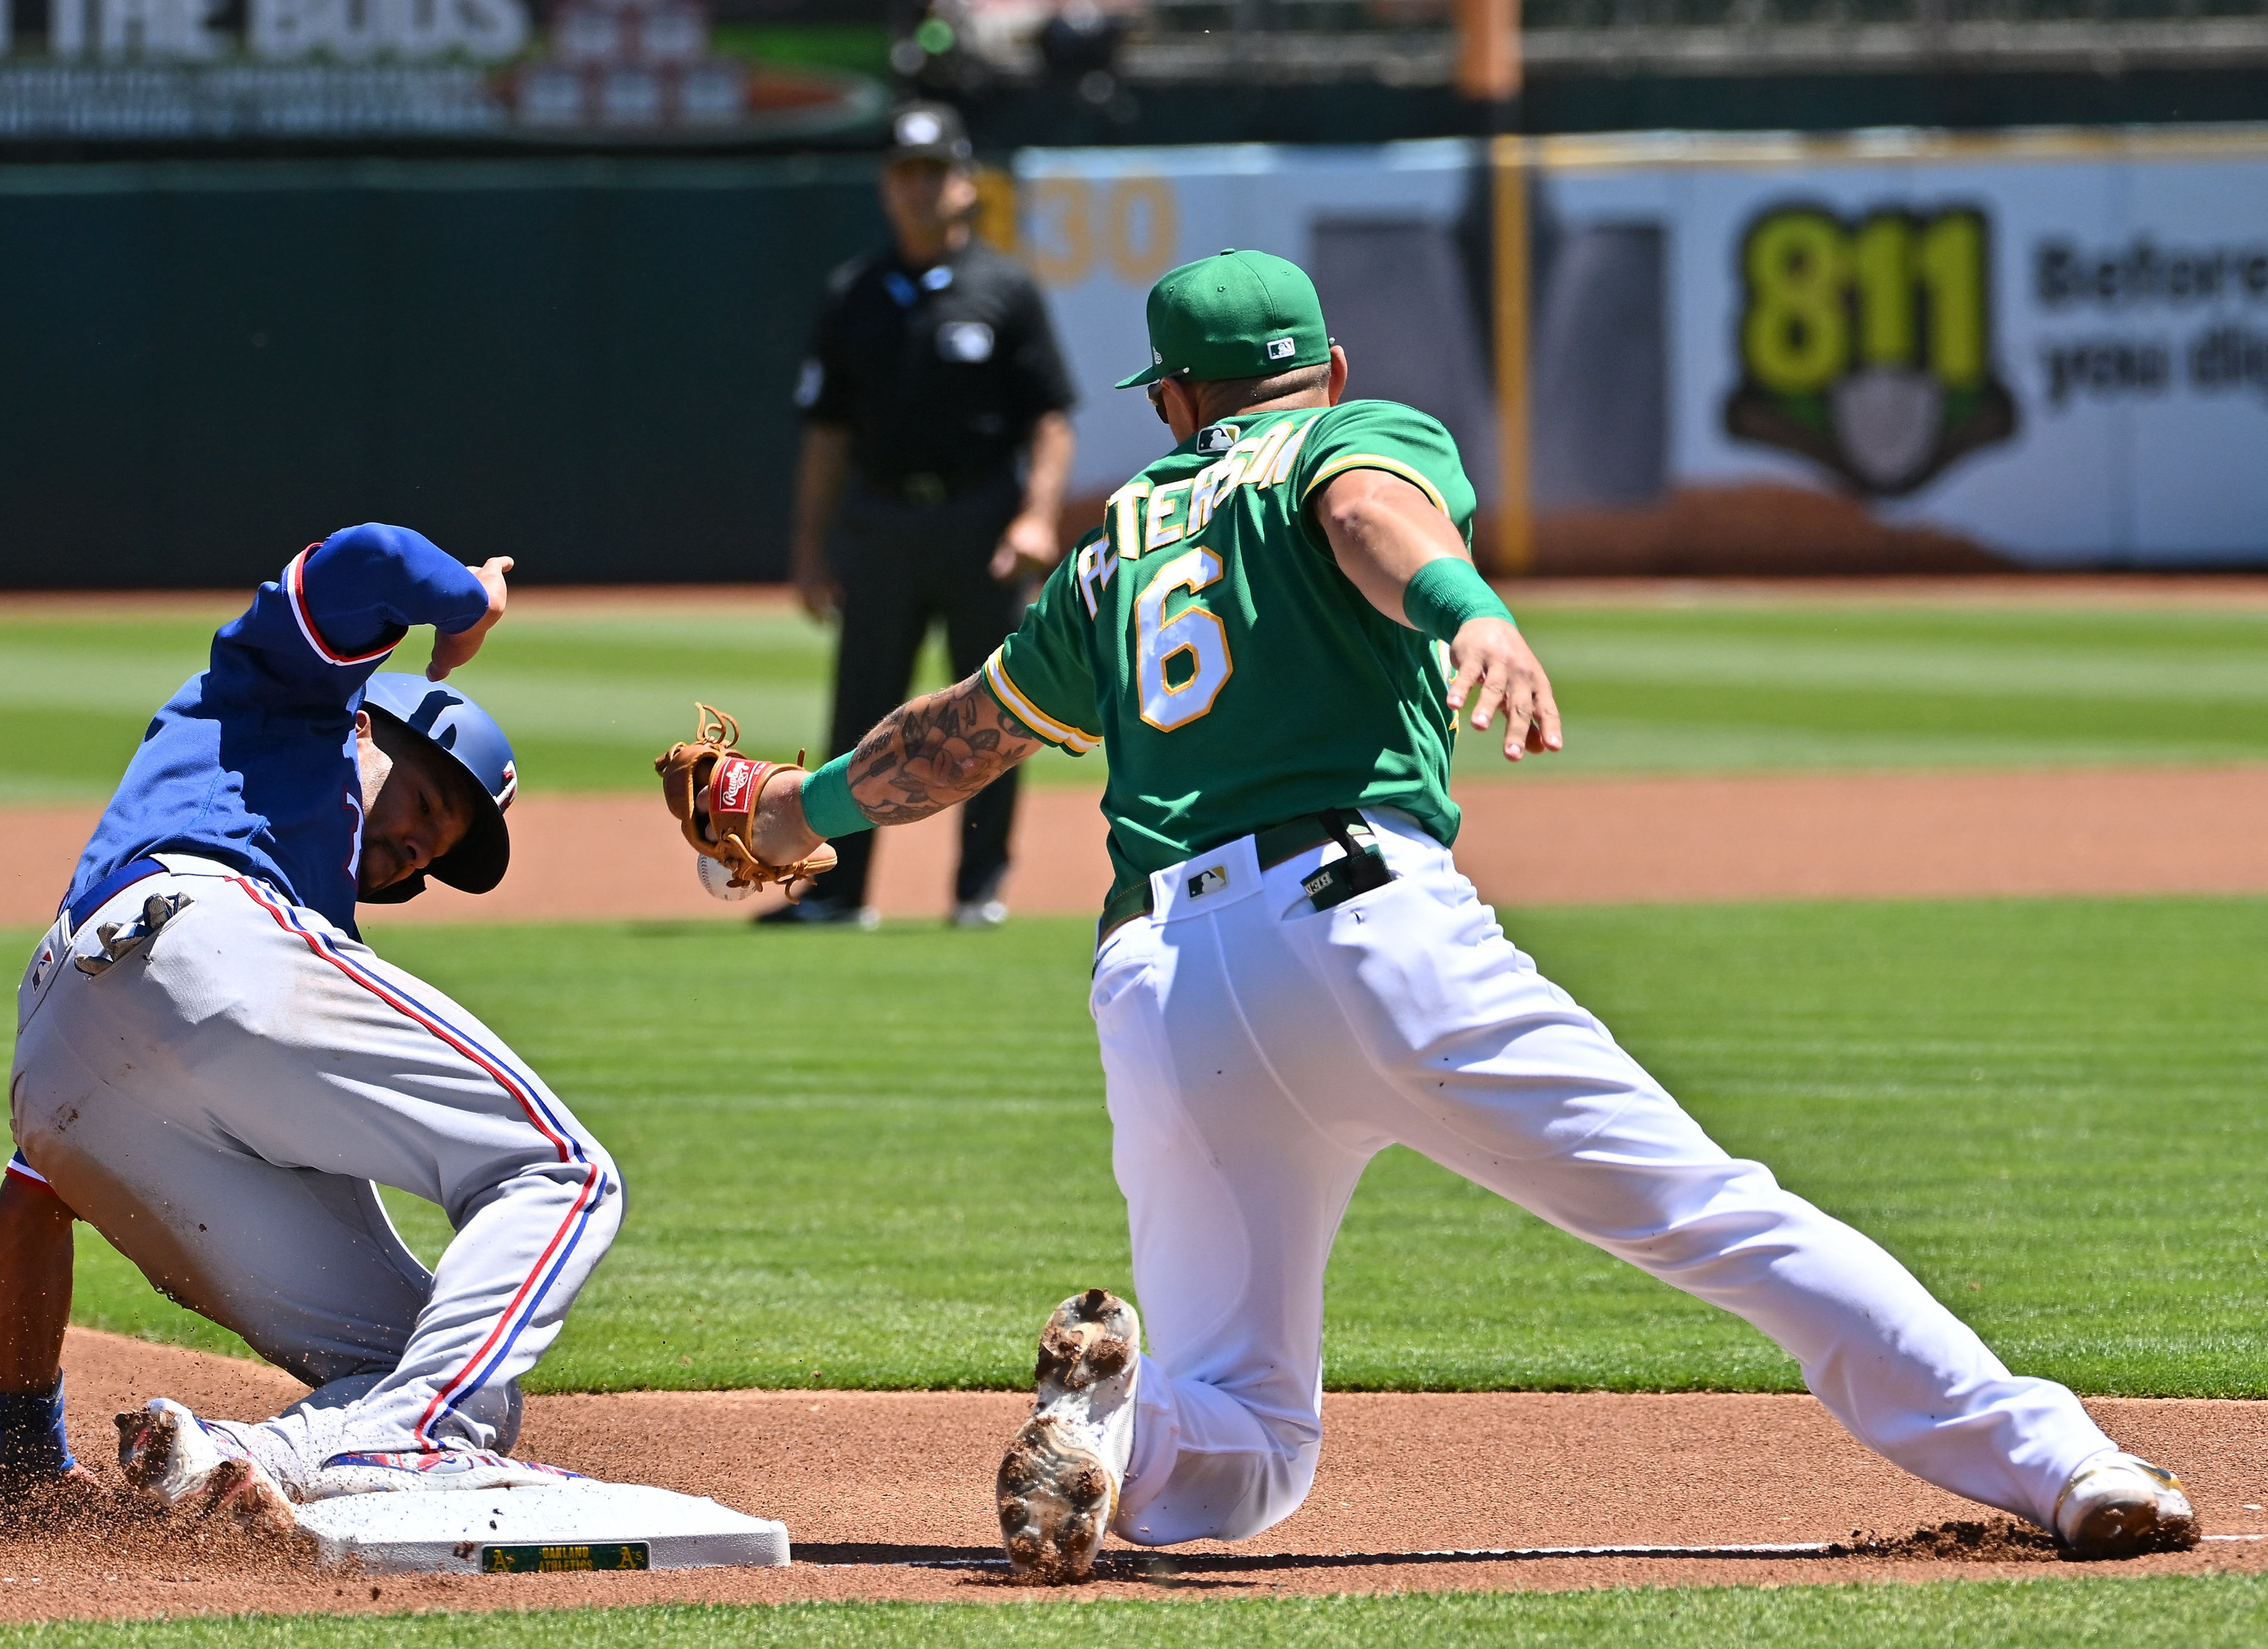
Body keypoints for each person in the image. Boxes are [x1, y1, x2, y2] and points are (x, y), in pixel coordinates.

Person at [686, 250, 2200, 1577]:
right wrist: (1465, 605)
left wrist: (780, 809)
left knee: (1246, 1447)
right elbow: (1364, 511)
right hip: (1361, 932)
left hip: (1161, 985)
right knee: (1719, 1218)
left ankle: (1123, 1429)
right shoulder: (1347, 433)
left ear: (1170, 402)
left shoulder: (1114, 547)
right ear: (1324, 369)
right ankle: (2068, 1465)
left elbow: (960, 731)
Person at [0, 524, 622, 1526]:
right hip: (201, 934)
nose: (417, 843)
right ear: (370, 726)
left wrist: (24, 1446)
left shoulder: (309, 920)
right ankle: (411, 1434)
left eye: (439, 845)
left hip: (61, 1065)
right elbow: (366, 555)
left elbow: (28, 1203)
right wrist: (465, 601)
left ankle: (225, 1454)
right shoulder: (293, 703)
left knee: (450, 1367)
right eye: (426, 798)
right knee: (563, 1171)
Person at [777, 99, 1077, 930]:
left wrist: (1035, 518)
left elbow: (1050, 418)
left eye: (934, 172)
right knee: (860, 711)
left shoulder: (1004, 289)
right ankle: (839, 892)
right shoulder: (855, 293)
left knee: (995, 713)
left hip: (981, 524)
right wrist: (809, 548)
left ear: (963, 184)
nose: (919, 188)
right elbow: (825, 433)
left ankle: (977, 890)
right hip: (881, 522)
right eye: (905, 173)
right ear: (886, 186)